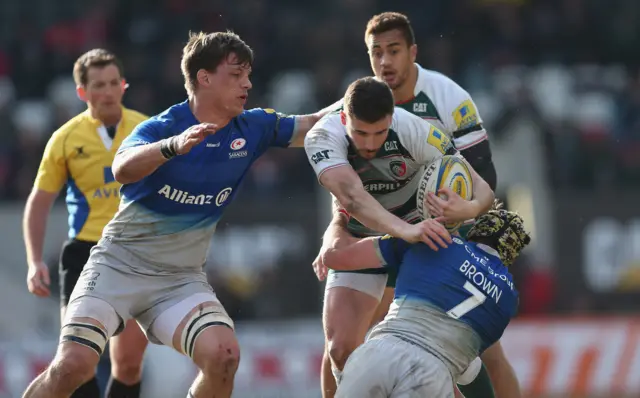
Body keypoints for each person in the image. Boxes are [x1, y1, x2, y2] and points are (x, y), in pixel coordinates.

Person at [22, 31, 330, 398]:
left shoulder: (255, 126)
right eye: (236, 75)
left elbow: (313, 124)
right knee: (73, 365)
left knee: (225, 355)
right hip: (117, 268)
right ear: (204, 78)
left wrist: (365, 95)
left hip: (178, 280)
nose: (247, 83)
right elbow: (122, 167)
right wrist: (171, 148)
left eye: (248, 74)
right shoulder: (162, 127)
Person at [318, 11, 519, 398]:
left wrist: (467, 217)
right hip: (378, 231)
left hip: (437, 235)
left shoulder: (449, 98)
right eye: (376, 52)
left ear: (413, 52)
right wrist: (337, 229)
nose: (385, 62)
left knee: (482, 353)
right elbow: (343, 184)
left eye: (393, 51)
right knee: (340, 348)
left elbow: (482, 175)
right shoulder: (357, 103)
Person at [304, 76, 497, 396]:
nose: (369, 143)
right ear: (343, 118)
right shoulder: (322, 136)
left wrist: (469, 209)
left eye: (379, 132)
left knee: (455, 352)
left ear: (391, 119)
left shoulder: (415, 131)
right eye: (360, 132)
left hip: (422, 236)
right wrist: (405, 231)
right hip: (366, 235)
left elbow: (483, 190)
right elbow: (352, 198)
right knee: (339, 349)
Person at [23, 49, 149, 398]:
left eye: (113, 83)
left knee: (129, 362)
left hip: (136, 252)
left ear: (123, 85)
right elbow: (39, 202)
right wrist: (34, 261)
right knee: (79, 362)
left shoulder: (147, 128)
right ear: (82, 92)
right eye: (98, 85)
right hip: (85, 254)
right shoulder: (65, 138)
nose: (107, 92)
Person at [323, 203, 531, 397]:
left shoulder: (430, 239)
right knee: (490, 361)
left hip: (380, 352)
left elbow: (336, 255)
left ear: (476, 230)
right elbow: (470, 371)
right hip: (434, 375)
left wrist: (339, 219)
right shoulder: (508, 299)